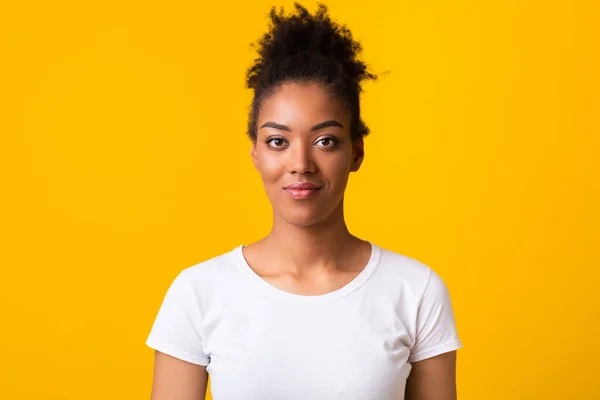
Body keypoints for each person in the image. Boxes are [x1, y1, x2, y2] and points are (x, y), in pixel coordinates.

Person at [146, 3, 462, 399]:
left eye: (325, 141)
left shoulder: (415, 291)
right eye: (278, 141)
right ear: (256, 153)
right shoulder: (199, 292)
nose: (301, 164)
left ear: (357, 152)